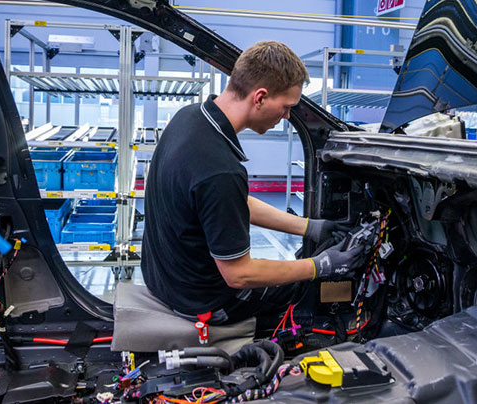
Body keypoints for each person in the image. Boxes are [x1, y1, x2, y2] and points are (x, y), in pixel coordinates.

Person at [141, 41, 366, 326]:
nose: (286, 117)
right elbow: (239, 274)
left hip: (165, 278)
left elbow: (228, 203)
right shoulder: (220, 170)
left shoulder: (190, 117)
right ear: (259, 97)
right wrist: (321, 265)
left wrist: (311, 227)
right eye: (286, 107)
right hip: (204, 302)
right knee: (308, 290)